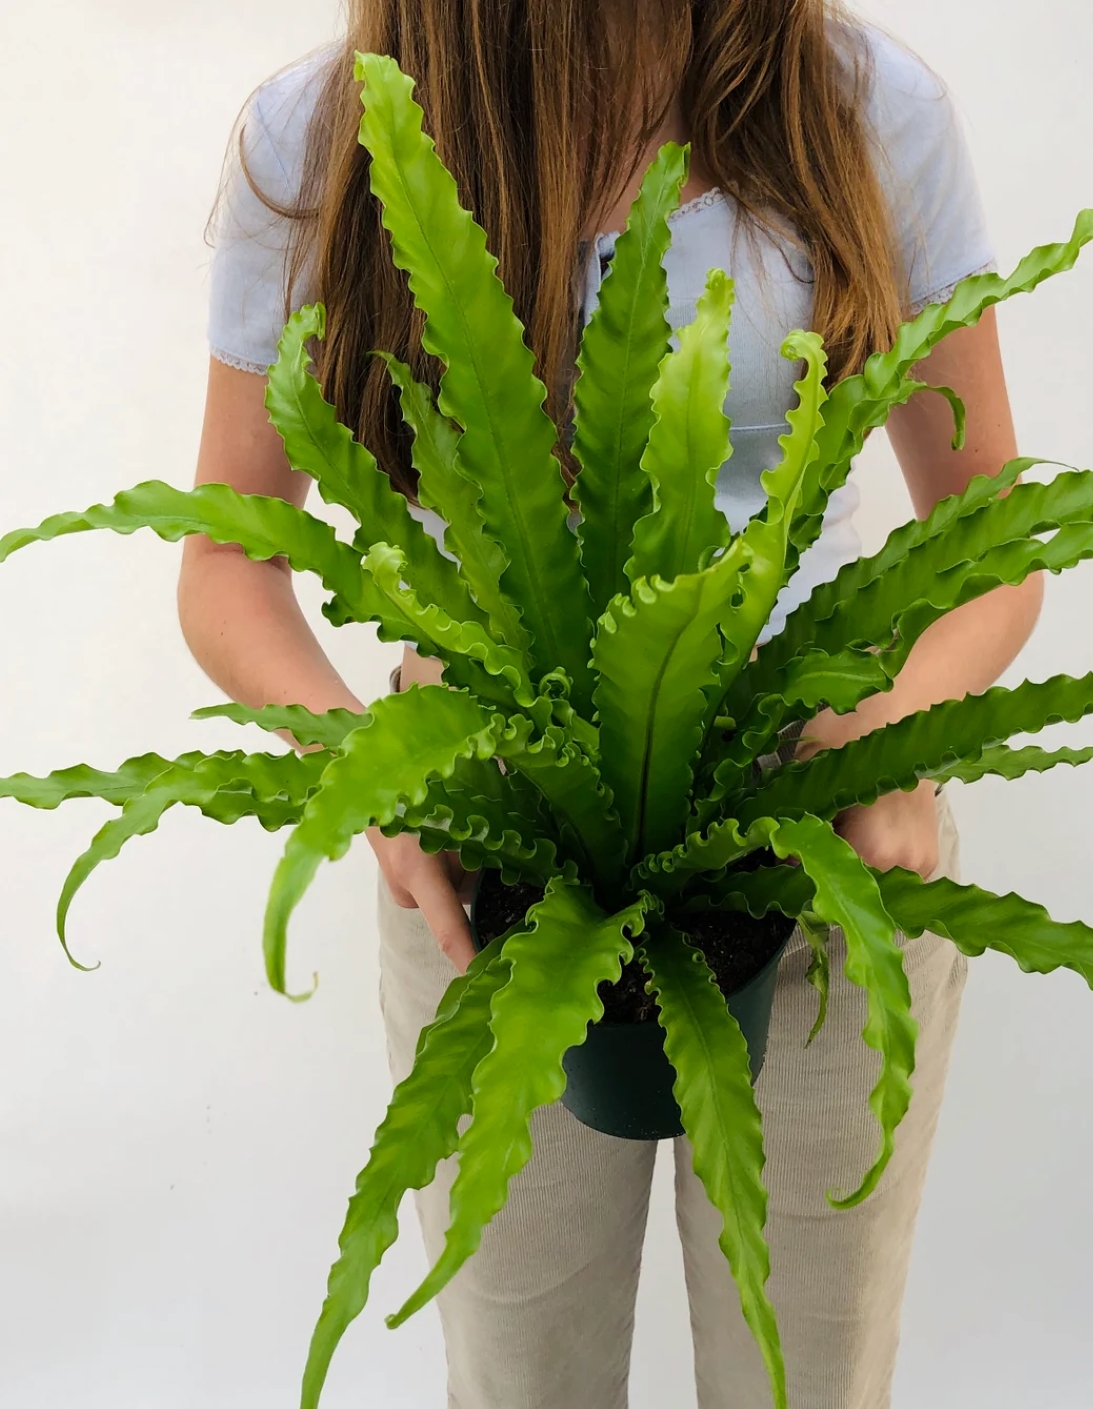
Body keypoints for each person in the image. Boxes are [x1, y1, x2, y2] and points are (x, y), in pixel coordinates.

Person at [182, 2, 1043, 1404]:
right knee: (522, 1379)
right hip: (489, 830)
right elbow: (226, 553)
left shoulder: (854, 102)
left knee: (805, 1383)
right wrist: (376, 780)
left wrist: (889, 733)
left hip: (808, 801)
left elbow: (993, 532)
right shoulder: (336, 125)